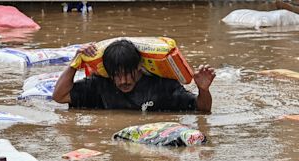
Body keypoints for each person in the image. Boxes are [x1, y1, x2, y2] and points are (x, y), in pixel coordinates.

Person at [53, 39, 216, 112]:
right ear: (109, 74)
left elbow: (202, 110)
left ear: (139, 67)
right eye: (116, 75)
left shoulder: (163, 86)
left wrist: (203, 90)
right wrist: (75, 63)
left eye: (127, 74)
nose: (123, 81)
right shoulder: (99, 85)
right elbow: (60, 96)